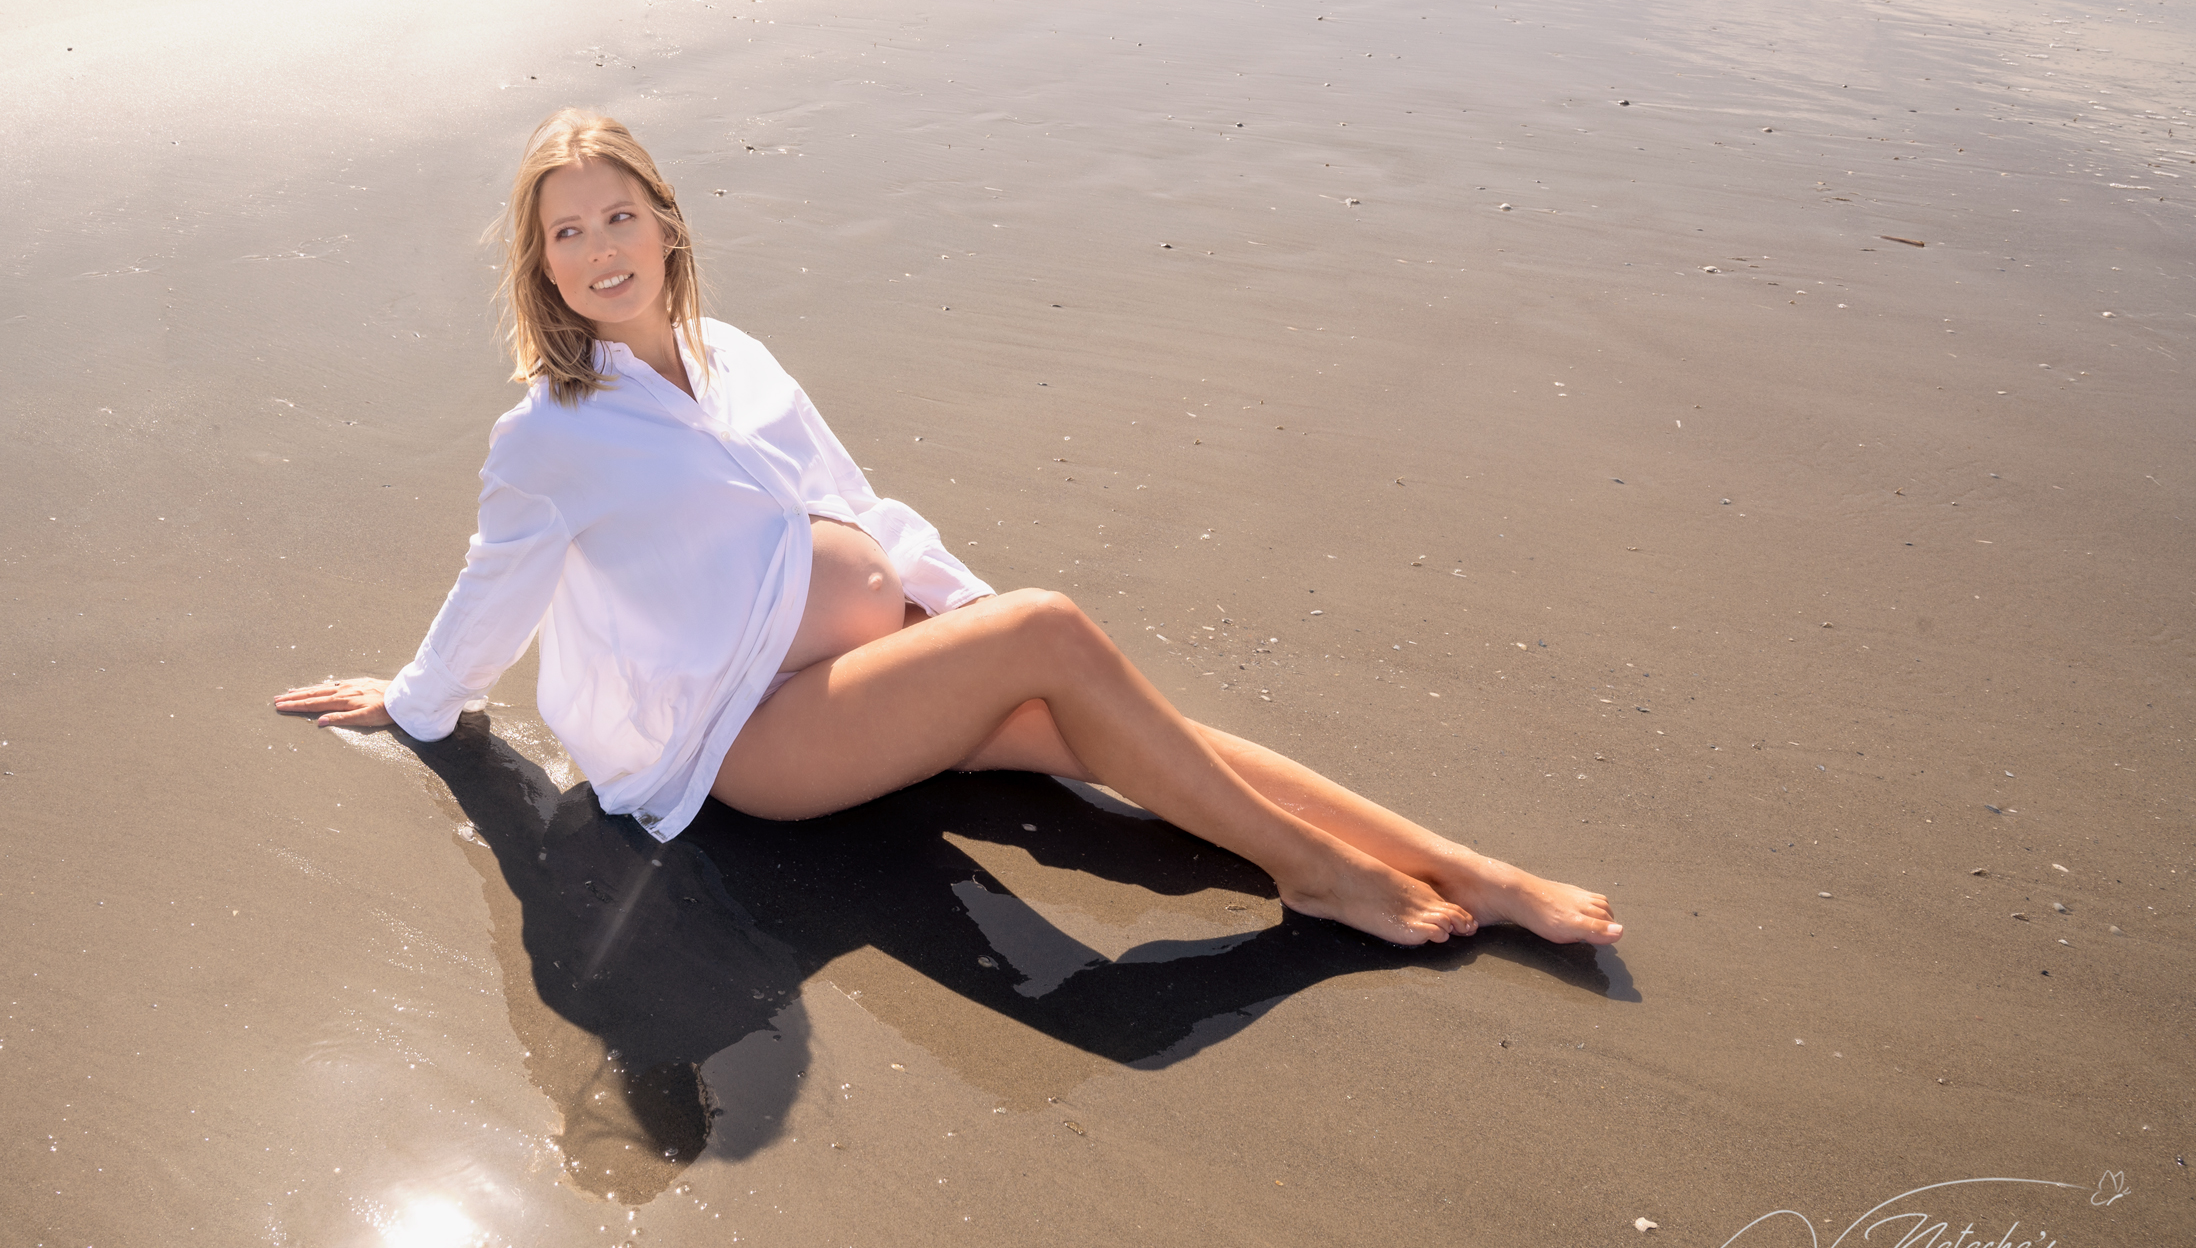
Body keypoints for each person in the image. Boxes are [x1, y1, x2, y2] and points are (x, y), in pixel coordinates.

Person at [276, 109, 1621, 949]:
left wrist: (954, 618)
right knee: (1054, 631)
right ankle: (1319, 872)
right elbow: (491, 592)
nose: (601, 246)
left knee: (1132, 728)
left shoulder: (730, 353)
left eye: (621, 214)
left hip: (865, 675)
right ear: (543, 265)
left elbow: (857, 508)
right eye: (569, 232)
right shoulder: (551, 434)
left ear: (669, 227)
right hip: (755, 736)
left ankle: (1471, 870)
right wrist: (415, 702)